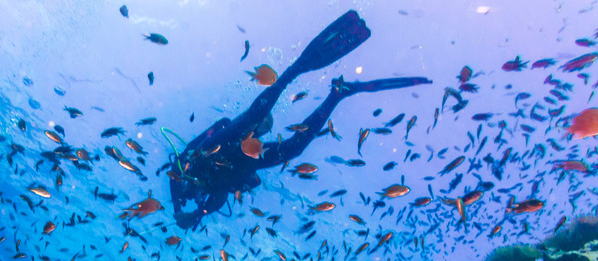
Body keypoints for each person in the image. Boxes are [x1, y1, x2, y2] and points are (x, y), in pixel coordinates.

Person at [168, 10, 431, 230]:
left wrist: (180, 205)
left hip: (224, 144)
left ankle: (291, 73)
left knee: (253, 116)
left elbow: (175, 175)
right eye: (192, 196)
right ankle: (337, 94)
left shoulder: (180, 175)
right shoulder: (208, 196)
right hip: (245, 162)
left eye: (189, 194)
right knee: (294, 148)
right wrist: (198, 213)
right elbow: (219, 198)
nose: (192, 193)